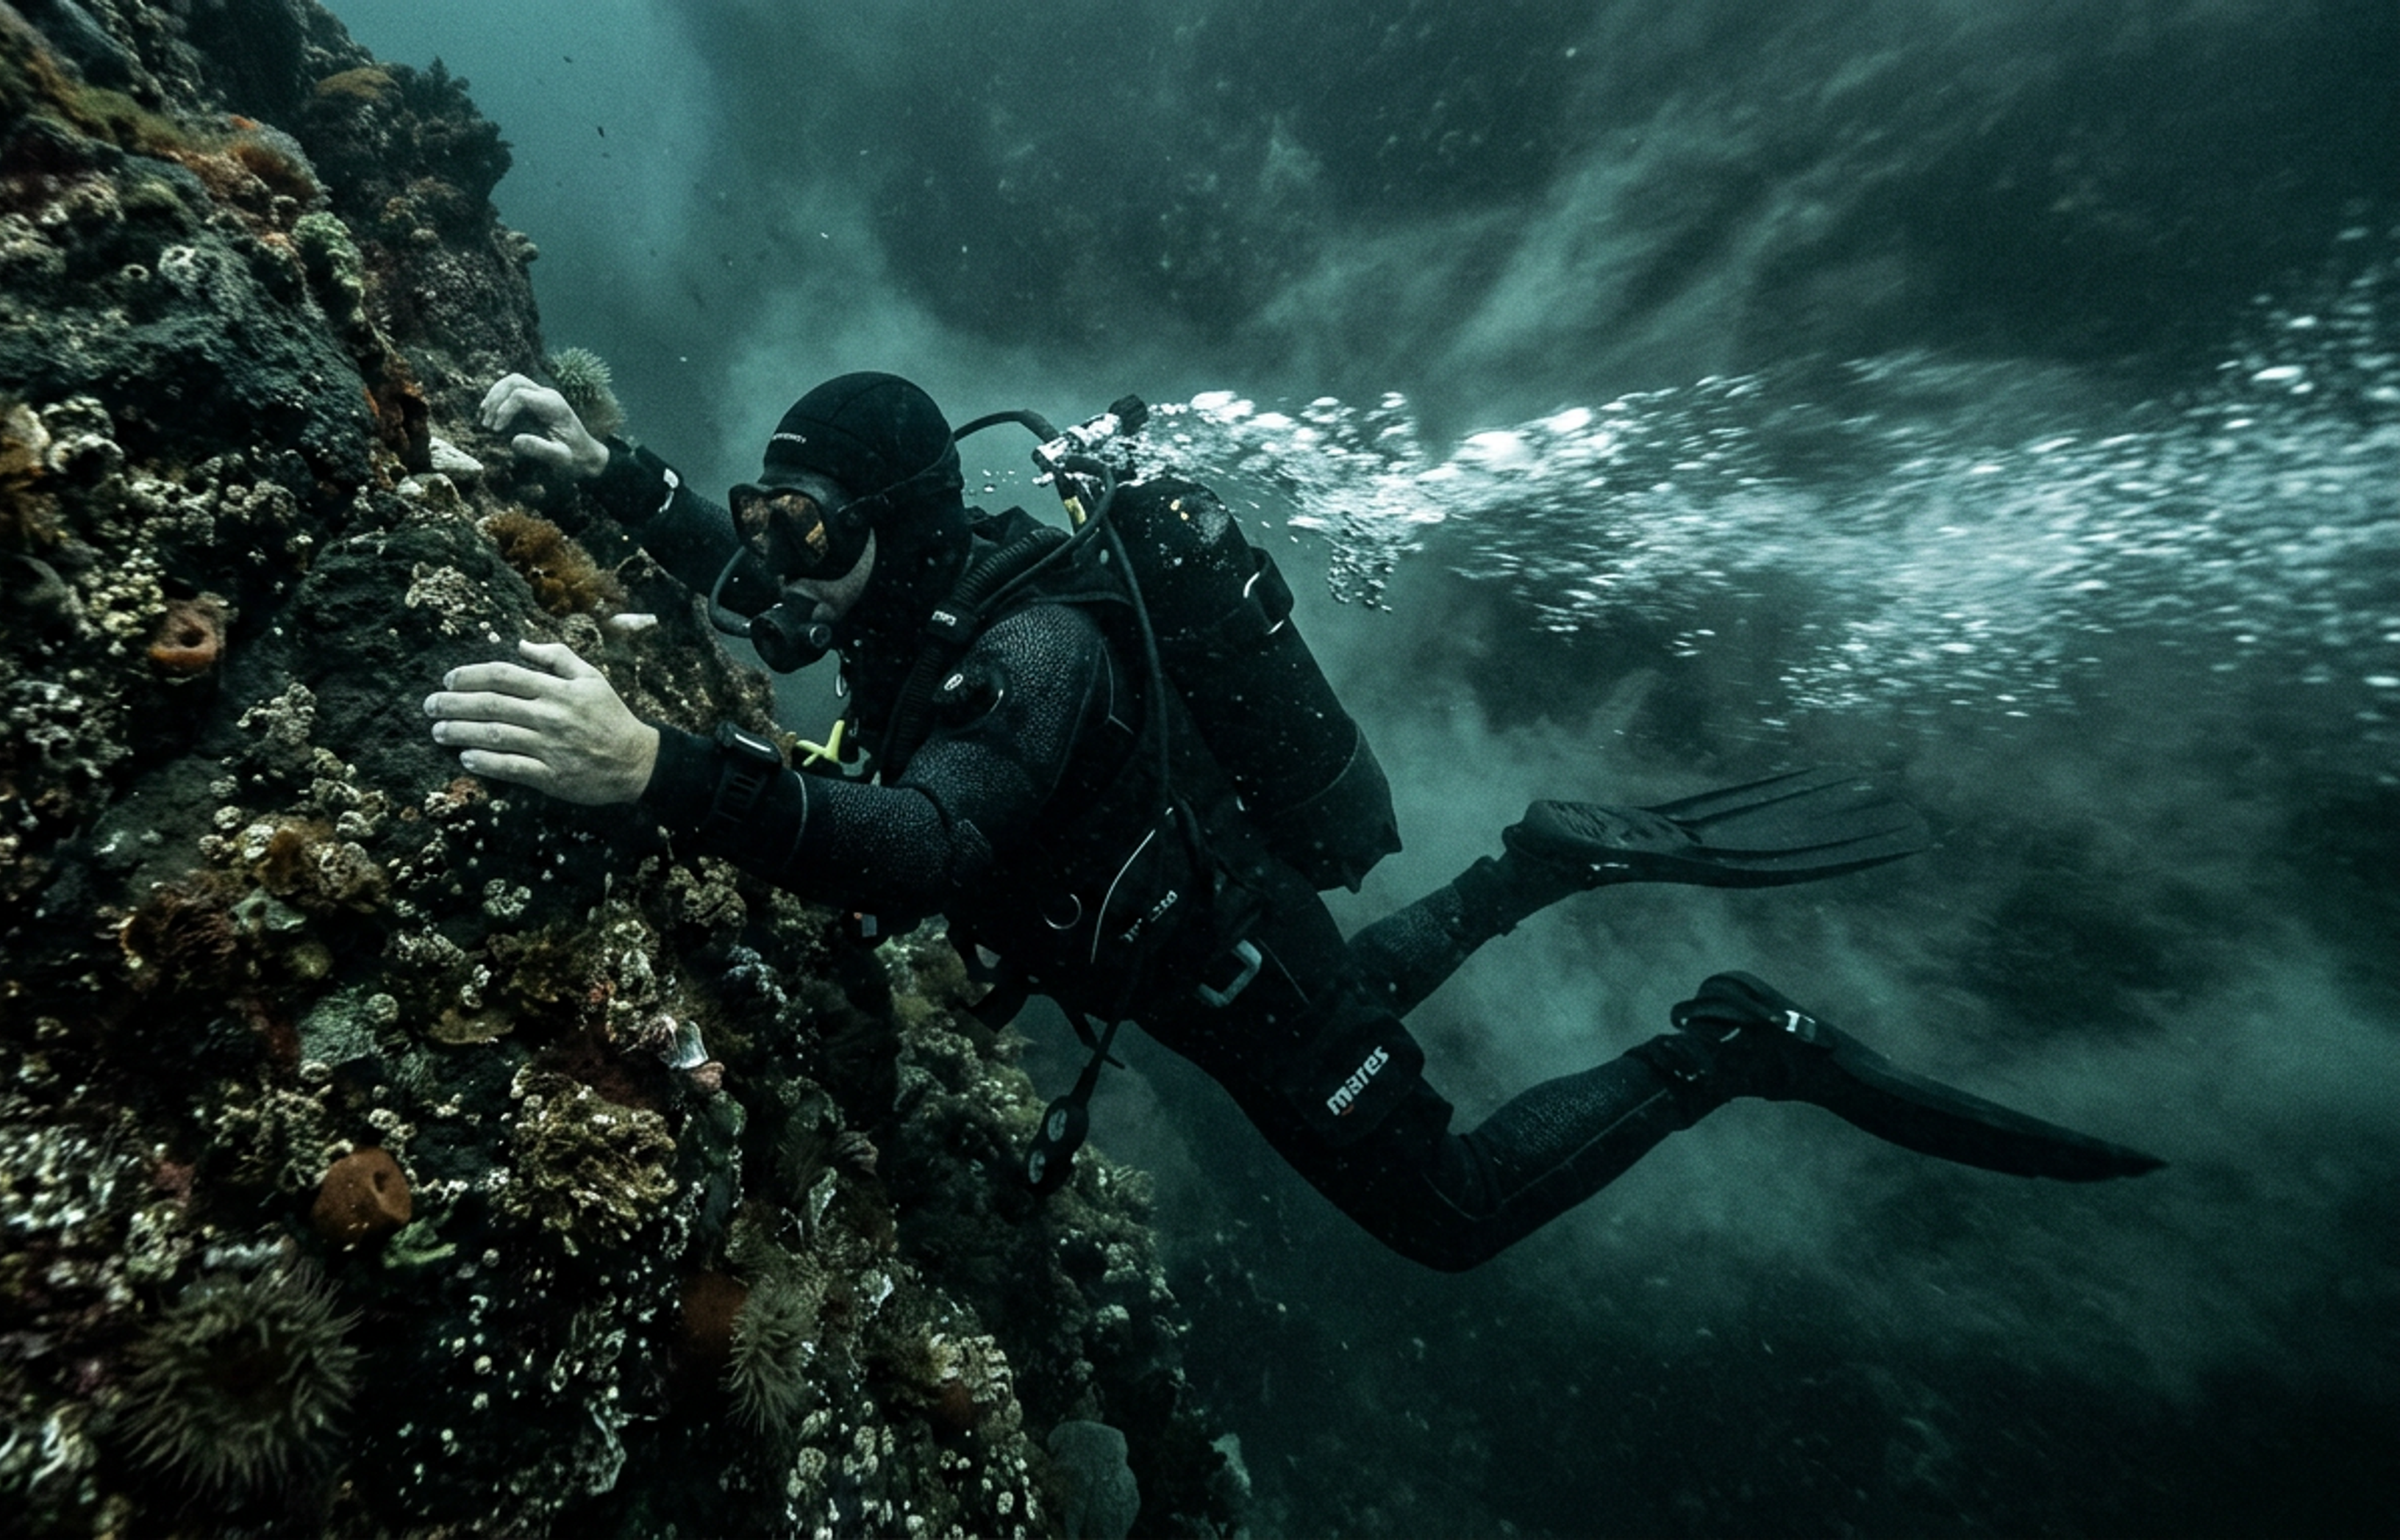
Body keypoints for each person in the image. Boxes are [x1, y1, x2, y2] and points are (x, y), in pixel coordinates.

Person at [424, 370, 2158, 1272]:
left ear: (898, 517)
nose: (778, 558)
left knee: (1448, 1211)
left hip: (1232, 960)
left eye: (808, 524)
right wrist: (615, 472)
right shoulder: (905, 592)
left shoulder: (1026, 650)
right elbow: (772, 604)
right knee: (1313, 990)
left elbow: (932, 851)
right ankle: (1534, 867)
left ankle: (1730, 1046)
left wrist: (654, 772)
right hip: (1205, 945)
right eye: (763, 513)